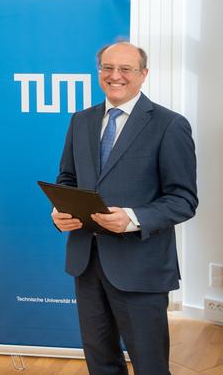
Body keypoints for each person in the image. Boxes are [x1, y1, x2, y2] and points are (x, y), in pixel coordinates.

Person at [51, 42, 198, 374]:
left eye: (126, 69)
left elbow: (184, 199)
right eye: (107, 68)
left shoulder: (169, 125)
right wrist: (61, 211)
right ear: (98, 71)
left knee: (150, 365)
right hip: (86, 264)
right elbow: (67, 178)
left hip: (141, 269)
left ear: (143, 74)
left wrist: (132, 219)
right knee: (101, 363)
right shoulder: (81, 121)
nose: (114, 76)